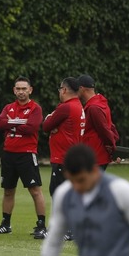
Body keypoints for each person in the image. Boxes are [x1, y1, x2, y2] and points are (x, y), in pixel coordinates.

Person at [0, 77, 47, 239]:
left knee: (35, 190)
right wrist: (17, 123)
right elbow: (0, 124)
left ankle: (42, 225)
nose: (21, 92)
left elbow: (31, 128)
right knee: (8, 190)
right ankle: (5, 224)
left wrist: (12, 123)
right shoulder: (8, 107)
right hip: (8, 154)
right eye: (18, 89)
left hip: (27, 154)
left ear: (30, 90)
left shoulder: (35, 108)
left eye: (24, 89)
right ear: (14, 90)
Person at [42, 77, 85, 241]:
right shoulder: (78, 106)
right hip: (73, 156)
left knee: (58, 193)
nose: (59, 92)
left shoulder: (65, 107)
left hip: (63, 157)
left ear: (65, 90)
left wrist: (50, 121)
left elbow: (46, 126)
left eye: (60, 89)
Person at [77, 74, 120, 170]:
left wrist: (114, 150)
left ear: (82, 88)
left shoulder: (93, 108)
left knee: (89, 185)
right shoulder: (101, 103)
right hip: (98, 155)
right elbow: (111, 127)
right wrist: (114, 142)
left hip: (94, 156)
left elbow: (104, 130)